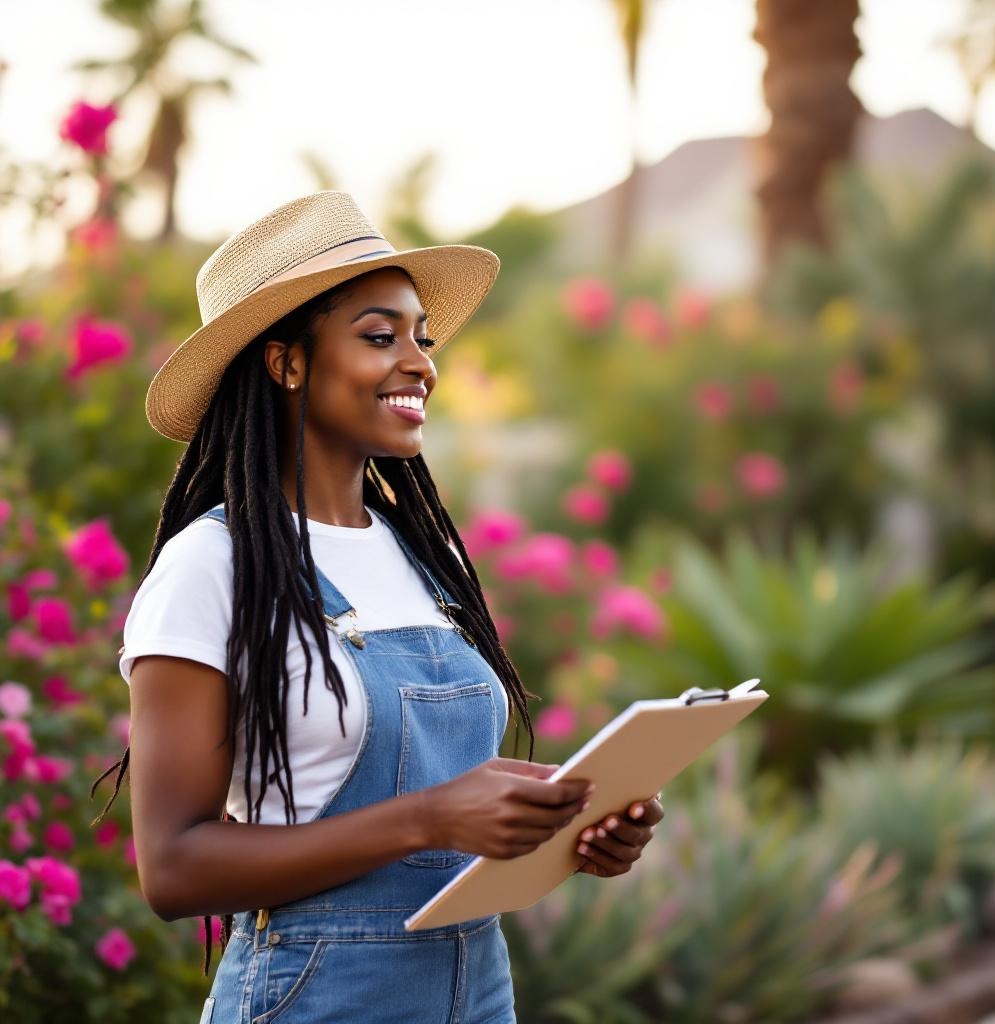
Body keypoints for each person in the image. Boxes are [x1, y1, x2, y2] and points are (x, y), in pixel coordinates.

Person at [90, 191, 664, 1023]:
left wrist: (573, 818)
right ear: (285, 362)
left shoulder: (424, 557)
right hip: (312, 996)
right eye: (379, 337)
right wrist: (429, 818)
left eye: (421, 338)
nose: (421, 362)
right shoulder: (211, 566)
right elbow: (173, 870)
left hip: (476, 992)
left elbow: (453, 798)